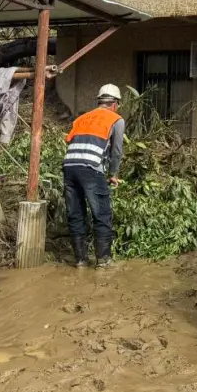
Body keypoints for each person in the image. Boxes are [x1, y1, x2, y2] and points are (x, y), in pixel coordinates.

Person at [63, 84, 125, 269]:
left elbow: (73, 140)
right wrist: (113, 174)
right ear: (115, 103)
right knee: (102, 213)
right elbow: (117, 151)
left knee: (75, 214)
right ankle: (104, 260)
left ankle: (81, 260)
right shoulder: (116, 119)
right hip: (90, 168)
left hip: (69, 167)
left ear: (99, 101)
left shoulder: (81, 118)